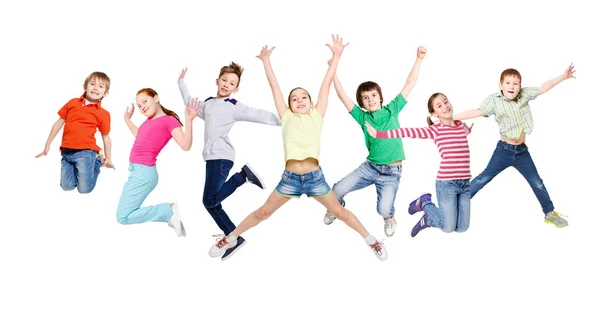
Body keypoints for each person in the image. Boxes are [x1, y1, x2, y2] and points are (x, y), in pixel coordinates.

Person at [208, 35, 388, 261]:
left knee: (339, 211)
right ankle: (230, 237)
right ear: (289, 105)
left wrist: (336, 56)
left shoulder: (316, 115)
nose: (300, 100)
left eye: (304, 97)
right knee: (263, 212)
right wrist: (266, 62)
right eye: (294, 98)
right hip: (290, 179)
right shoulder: (286, 117)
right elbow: (275, 87)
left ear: (312, 103)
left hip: (315, 178)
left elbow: (326, 84)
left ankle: (372, 241)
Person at [178, 62, 280, 260]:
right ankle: (234, 237)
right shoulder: (208, 104)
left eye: (231, 83)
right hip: (212, 158)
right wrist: (181, 82)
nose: (226, 85)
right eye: (224, 80)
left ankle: (243, 176)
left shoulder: (232, 106)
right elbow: (191, 105)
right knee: (212, 204)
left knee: (208, 201)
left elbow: (256, 114)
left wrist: (283, 119)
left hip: (221, 157)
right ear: (217, 81)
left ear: (236, 89)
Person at [323, 47, 427, 237]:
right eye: (365, 98)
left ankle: (390, 218)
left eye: (373, 95)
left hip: (391, 173)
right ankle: (336, 208)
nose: (370, 100)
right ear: (362, 103)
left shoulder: (392, 110)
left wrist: (419, 59)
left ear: (380, 96)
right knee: (336, 190)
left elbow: (409, 83)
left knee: (383, 210)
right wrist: (333, 70)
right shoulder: (363, 117)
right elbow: (341, 95)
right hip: (370, 167)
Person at [453, 64, 576, 228]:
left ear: (520, 86)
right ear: (501, 85)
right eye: (508, 83)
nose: (512, 86)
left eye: (515, 83)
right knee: (483, 178)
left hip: (522, 153)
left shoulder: (524, 95)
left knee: (537, 182)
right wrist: (452, 117)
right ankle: (455, 203)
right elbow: (476, 112)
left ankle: (550, 213)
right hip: (504, 150)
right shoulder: (495, 101)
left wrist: (563, 76)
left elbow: (542, 88)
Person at [366, 93, 473, 237]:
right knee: (448, 227)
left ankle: (429, 219)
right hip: (447, 184)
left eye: (446, 102)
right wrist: (380, 135)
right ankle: (424, 203)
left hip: (465, 183)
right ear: (434, 114)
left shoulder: (460, 126)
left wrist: (468, 130)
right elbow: (407, 132)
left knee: (462, 227)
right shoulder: (435, 130)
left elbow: (461, 136)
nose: (445, 106)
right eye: (439, 106)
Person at [116, 88, 200, 236]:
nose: (142, 107)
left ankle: (167, 211)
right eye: (139, 105)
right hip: (137, 171)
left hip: (144, 173)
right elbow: (140, 136)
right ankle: (167, 212)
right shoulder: (148, 122)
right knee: (123, 215)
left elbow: (185, 145)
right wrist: (128, 120)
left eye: (144, 101)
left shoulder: (169, 121)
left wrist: (188, 120)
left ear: (156, 98)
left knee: (123, 217)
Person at [36, 71, 114, 194]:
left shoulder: (103, 113)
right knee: (67, 186)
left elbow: (106, 137)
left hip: (86, 152)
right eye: (92, 84)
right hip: (66, 152)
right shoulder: (72, 103)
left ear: (106, 93)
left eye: (100, 86)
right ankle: (85, 167)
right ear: (85, 86)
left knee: (84, 190)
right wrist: (47, 144)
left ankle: (97, 161)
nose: (95, 88)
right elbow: (58, 123)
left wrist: (109, 158)